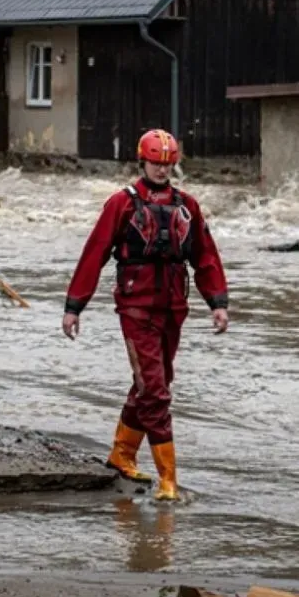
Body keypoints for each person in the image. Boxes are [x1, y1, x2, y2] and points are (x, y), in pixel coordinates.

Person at [62, 128, 229, 501]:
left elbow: (205, 256)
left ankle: (121, 455)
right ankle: (168, 479)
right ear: (143, 160)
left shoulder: (187, 204)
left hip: (174, 309)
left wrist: (217, 303)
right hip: (136, 309)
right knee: (155, 391)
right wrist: (75, 307)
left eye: (168, 163)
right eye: (156, 162)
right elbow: (94, 253)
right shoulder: (121, 203)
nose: (162, 169)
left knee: (153, 384)